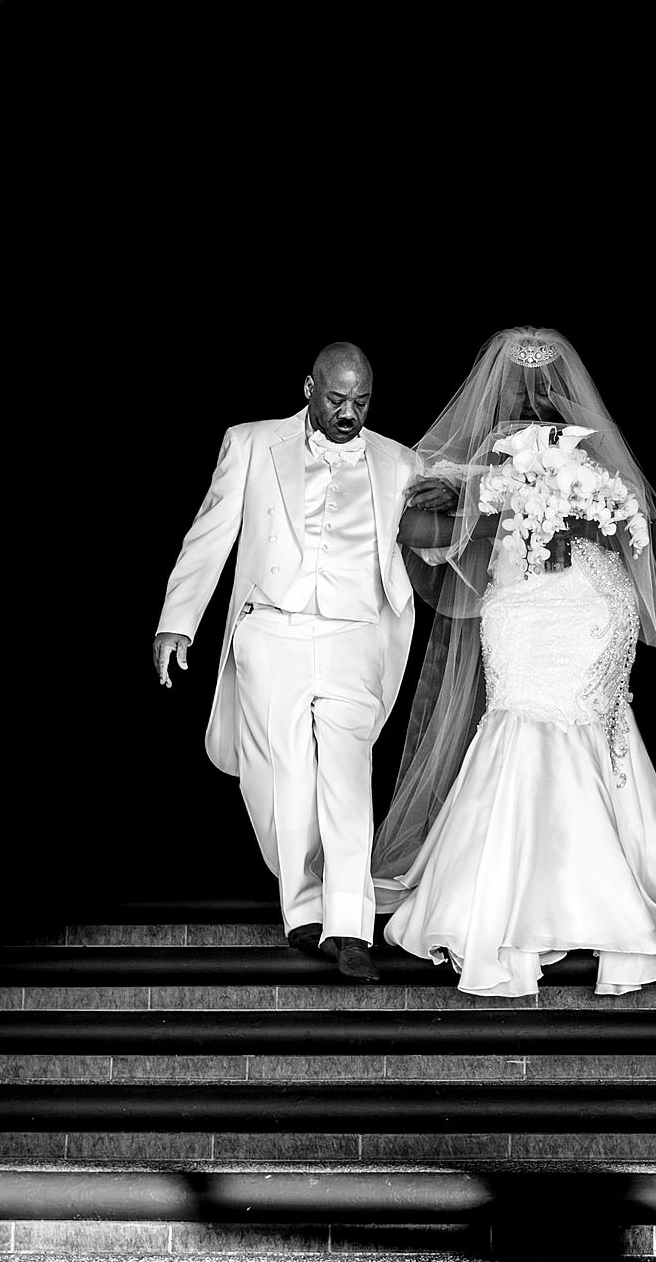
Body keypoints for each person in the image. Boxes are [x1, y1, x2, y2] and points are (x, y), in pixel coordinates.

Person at [376, 327, 656, 996]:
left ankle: (579, 891)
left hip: (583, 597)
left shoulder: (586, 452)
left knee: (569, 716)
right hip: (518, 601)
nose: (535, 393)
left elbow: (625, 510)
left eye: (544, 381)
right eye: (526, 382)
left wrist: (575, 505)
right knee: (518, 712)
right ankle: (521, 894)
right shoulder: (485, 449)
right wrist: (459, 493)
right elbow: (434, 519)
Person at [153, 342, 454, 981]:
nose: (350, 413)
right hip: (272, 632)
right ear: (309, 388)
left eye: (362, 402)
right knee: (283, 780)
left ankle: (350, 928)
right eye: (338, 399)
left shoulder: (399, 461)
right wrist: (177, 622)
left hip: (355, 635)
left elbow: (434, 537)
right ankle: (304, 913)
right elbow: (210, 534)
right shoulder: (252, 443)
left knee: (347, 776)